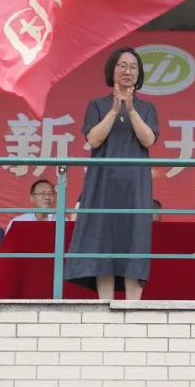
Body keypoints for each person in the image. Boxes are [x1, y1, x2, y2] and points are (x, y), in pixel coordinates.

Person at [64, 46, 159, 300]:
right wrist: (115, 111)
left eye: (133, 67)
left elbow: (148, 140)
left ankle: (132, 307)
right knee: (102, 237)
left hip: (135, 183)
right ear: (112, 71)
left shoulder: (147, 107)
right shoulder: (97, 105)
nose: (128, 71)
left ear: (139, 73)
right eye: (122, 66)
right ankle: (105, 306)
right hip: (103, 181)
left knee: (134, 237)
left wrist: (131, 111)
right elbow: (94, 139)